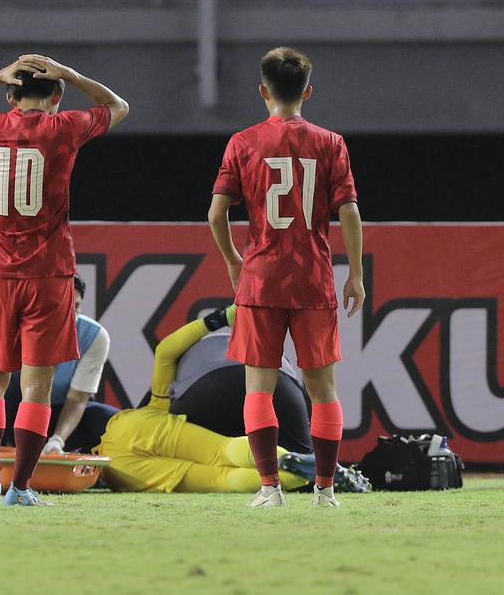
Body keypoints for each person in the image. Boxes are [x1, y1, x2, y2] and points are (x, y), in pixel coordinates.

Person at [0, 54, 129, 507]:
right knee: (36, 386)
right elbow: (118, 106)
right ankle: (21, 488)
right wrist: (71, 74)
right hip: (51, 274)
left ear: (11, 95)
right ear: (55, 97)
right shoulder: (63, 129)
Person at [208, 46, 365, 508]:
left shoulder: (243, 142)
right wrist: (355, 273)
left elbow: (216, 214)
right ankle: (325, 489)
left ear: (263, 91)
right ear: (308, 92)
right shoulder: (330, 142)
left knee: (259, 387)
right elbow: (350, 210)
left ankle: (270, 488)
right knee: (323, 389)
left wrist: (234, 260)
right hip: (312, 278)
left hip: (261, 279)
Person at [96, 305, 365, 494]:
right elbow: (165, 350)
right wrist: (221, 318)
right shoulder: (151, 408)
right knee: (223, 450)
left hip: (127, 470)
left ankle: (294, 472)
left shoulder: (116, 478)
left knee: (222, 479)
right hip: (136, 427)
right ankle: (298, 461)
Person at [0, 275, 119, 455]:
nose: (70, 316)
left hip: (59, 415)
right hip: (14, 413)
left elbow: (77, 400)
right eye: (62, 307)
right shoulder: (10, 329)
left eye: (77, 307)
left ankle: (84, 464)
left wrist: (57, 440)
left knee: (110, 421)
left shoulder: (95, 336)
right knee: (7, 387)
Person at [146, 304, 312, 453]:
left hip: (207, 389)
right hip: (277, 383)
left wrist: (219, 319)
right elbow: (165, 352)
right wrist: (219, 319)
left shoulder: (151, 413)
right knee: (305, 472)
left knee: (211, 469)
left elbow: (164, 352)